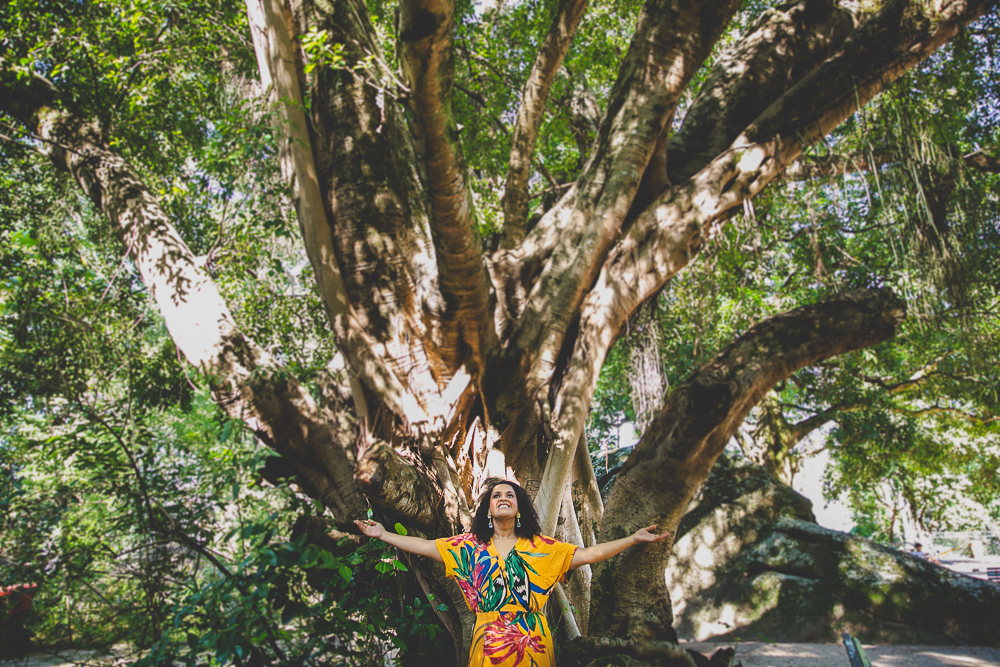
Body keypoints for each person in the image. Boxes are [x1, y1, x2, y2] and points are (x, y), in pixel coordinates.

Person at [355, 479, 670, 667]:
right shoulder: (467, 547)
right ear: (488, 509)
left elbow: (588, 555)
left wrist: (632, 539)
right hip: (488, 639)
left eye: (510, 495)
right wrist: (383, 534)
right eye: (496, 495)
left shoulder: (542, 547)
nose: (503, 498)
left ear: (519, 508)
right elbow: (422, 545)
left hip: (533, 640)